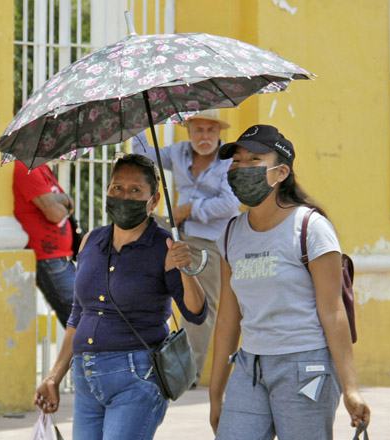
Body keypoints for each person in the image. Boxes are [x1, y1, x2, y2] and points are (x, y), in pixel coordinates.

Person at [208, 125, 371, 439]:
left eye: (254, 160)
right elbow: (228, 318)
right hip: (249, 367)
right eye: (237, 161)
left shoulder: (310, 227)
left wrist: (351, 388)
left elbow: (333, 311)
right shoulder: (230, 234)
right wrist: (216, 393)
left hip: (305, 366)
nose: (241, 168)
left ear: (280, 172)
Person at [34, 153, 208, 440]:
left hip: (136, 378)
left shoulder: (164, 246)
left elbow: (196, 312)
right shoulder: (91, 241)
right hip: (86, 379)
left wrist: (185, 268)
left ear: (154, 200)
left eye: (135, 190)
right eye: (117, 187)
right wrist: (54, 377)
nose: (124, 196)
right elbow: (79, 314)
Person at [132, 108, 240, 386]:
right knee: (136, 225)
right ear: (189, 131)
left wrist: (189, 209)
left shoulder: (228, 160)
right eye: (198, 130)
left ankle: (188, 374)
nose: (205, 136)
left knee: (201, 306)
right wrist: (139, 122)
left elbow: (230, 204)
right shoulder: (179, 152)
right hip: (177, 234)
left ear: (219, 132)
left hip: (209, 240)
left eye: (211, 130)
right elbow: (145, 156)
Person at [13, 160, 76, 327]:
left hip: (61, 258)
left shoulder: (42, 168)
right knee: (82, 321)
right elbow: (55, 214)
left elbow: (69, 204)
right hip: (49, 259)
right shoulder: (26, 168)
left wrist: (60, 201)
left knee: (84, 319)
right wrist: (62, 202)